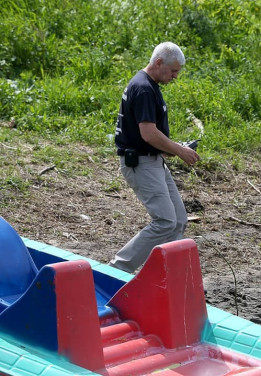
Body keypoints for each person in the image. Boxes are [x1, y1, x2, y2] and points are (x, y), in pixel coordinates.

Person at [110, 42, 200, 273]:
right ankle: (117, 269)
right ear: (159, 63)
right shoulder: (143, 88)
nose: (175, 76)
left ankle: (163, 274)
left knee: (178, 220)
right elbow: (148, 134)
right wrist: (179, 151)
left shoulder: (149, 86)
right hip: (141, 163)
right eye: (173, 71)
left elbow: (150, 134)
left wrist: (174, 147)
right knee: (165, 222)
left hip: (152, 161)